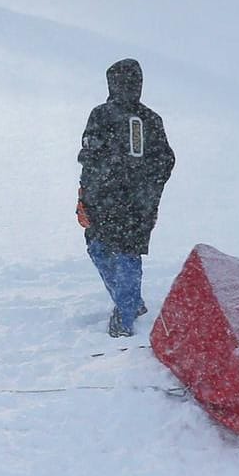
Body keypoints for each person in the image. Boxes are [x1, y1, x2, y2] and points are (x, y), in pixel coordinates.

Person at [77, 59, 175, 337]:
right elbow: (87, 154)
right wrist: (84, 194)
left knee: (128, 256)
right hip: (101, 201)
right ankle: (131, 302)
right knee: (98, 250)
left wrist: (146, 189)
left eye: (131, 82)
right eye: (120, 81)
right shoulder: (100, 115)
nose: (126, 87)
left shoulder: (151, 120)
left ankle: (125, 315)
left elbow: (166, 161)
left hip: (136, 204)